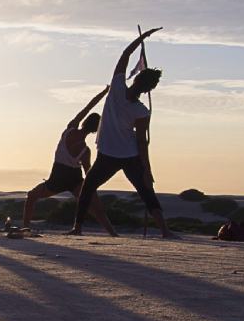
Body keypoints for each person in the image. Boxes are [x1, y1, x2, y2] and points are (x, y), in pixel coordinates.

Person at [71, 27, 176, 238]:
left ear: (136, 79)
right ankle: (165, 230)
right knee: (146, 191)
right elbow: (141, 143)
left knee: (88, 188)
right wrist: (147, 170)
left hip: (109, 153)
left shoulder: (117, 86)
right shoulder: (141, 111)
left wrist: (142, 37)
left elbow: (125, 55)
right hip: (129, 155)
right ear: (148, 90)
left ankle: (77, 227)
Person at [21, 86, 111, 230]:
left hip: (58, 177)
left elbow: (88, 107)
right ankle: (111, 232)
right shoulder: (85, 151)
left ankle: (25, 227)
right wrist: (92, 191)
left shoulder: (70, 129)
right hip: (74, 178)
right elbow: (88, 173)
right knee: (92, 207)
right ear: (95, 130)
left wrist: (103, 93)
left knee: (31, 196)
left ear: (85, 122)